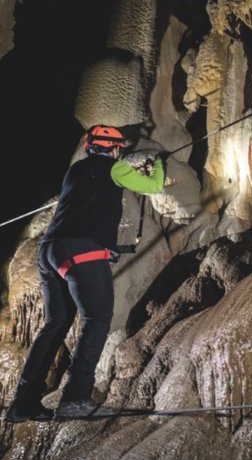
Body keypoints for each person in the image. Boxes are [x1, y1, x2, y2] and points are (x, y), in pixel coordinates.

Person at [4, 125, 165, 421]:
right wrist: (157, 166)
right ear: (115, 148)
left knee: (55, 324)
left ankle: (22, 403)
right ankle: (75, 396)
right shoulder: (115, 168)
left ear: (91, 147)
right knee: (97, 318)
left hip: (50, 250)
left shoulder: (75, 172)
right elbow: (154, 187)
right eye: (120, 147)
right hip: (82, 250)